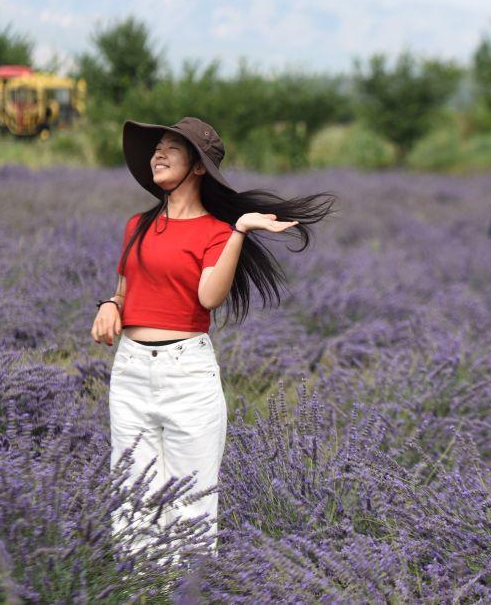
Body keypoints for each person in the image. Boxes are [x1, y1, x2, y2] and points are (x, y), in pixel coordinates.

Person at [90, 116, 334, 556]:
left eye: (172, 148)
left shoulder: (216, 232)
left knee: (192, 505)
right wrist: (108, 306)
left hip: (187, 374)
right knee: (131, 503)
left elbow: (208, 297)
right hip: (130, 371)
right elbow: (125, 292)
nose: (157, 155)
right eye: (156, 148)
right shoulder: (137, 225)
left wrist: (239, 231)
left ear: (198, 166)